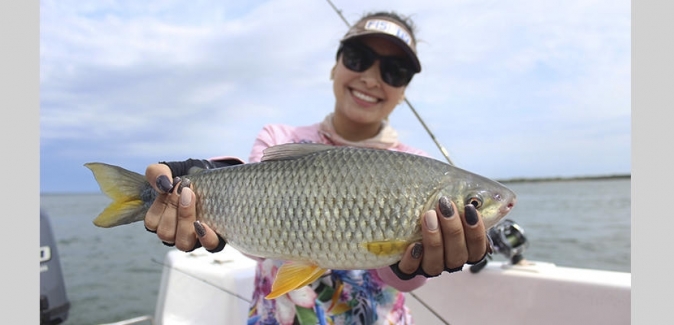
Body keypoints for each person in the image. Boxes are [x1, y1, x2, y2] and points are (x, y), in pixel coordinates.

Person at [143, 11, 490, 325]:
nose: (371, 77)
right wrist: (202, 176)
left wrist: (412, 261)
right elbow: (253, 216)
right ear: (334, 66)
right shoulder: (278, 136)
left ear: (404, 90)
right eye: (358, 59)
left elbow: (405, 279)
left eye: (394, 71)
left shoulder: (417, 162)